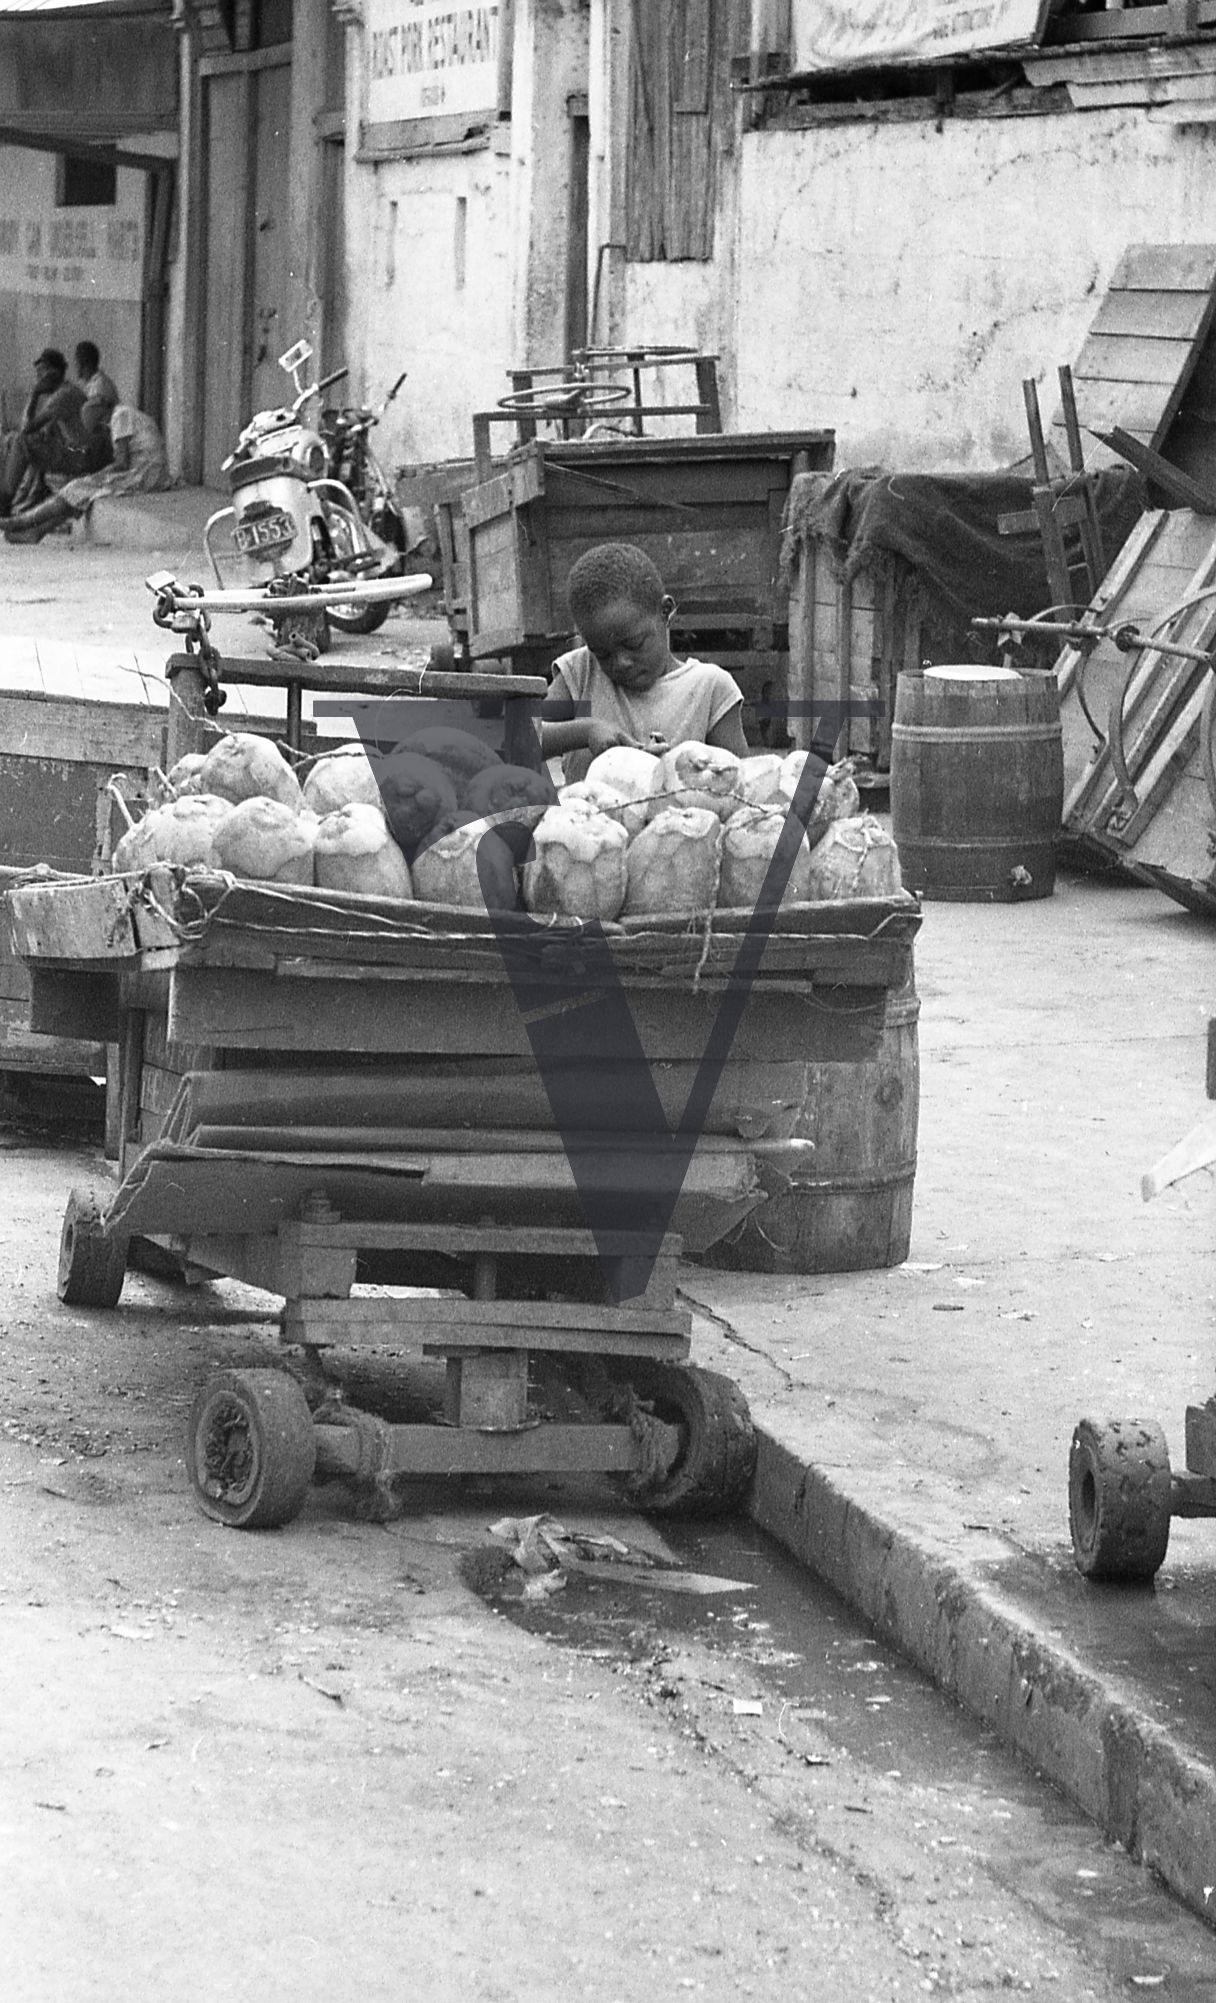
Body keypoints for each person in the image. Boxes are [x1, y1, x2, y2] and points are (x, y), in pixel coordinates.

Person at [540, 541, 749, 782]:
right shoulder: (580, 672)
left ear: (665, 611)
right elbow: (518, 741)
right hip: (586, 819)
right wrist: (586, 731)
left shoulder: (710, 688)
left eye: (634, 644)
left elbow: (741, 781)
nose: (621, 662)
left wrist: (674, 766)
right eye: (603, 653)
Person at [3, 401, 170, 543]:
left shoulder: (120, 416)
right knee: (80, 494)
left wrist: (97, 476)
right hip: (150, 472)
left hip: (144, 473)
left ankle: (22, 521)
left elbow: (121, 463)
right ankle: (37, 531)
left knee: (77, 487)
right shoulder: (125, 413)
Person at [0, 348, 93, 516]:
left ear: (54, 374)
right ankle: (15, 499)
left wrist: (35, 394)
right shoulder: (66, 391)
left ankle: (4, 501)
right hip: (80, 453)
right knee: (21, 441)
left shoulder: (64, 395)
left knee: (21, 443)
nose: (38, 378)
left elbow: (26, 430)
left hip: (81, 457)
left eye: (41, 373)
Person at [74, 340, 119, 472]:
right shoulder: (91, 384)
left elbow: (91, 423)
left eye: (77, 363)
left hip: (103, 444)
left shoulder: (100, 386)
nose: (75, 367)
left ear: (85, 364)